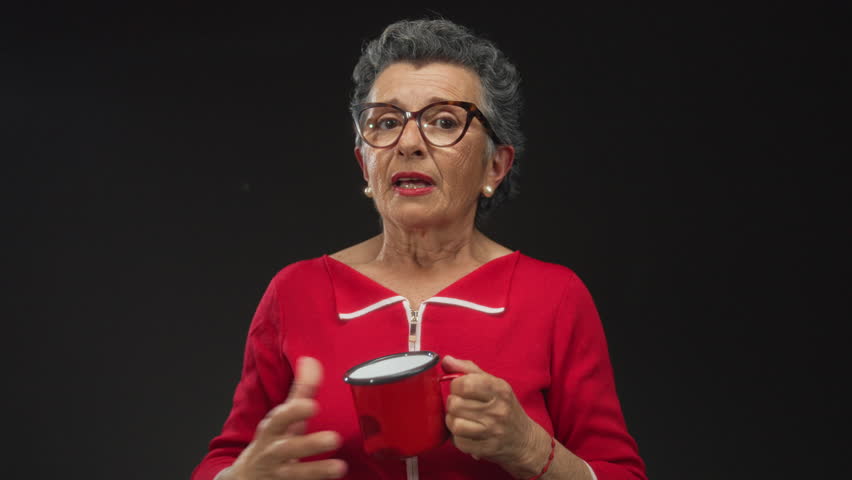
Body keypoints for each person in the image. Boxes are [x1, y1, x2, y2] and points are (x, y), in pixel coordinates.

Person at [192, 18, 646, 480]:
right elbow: (224, 462)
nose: (408, 143)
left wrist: (531, 448)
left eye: (445, 121)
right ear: (364, 164)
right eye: (386, 122)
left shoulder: (555, 296)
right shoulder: (295, 293)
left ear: (495, 165)